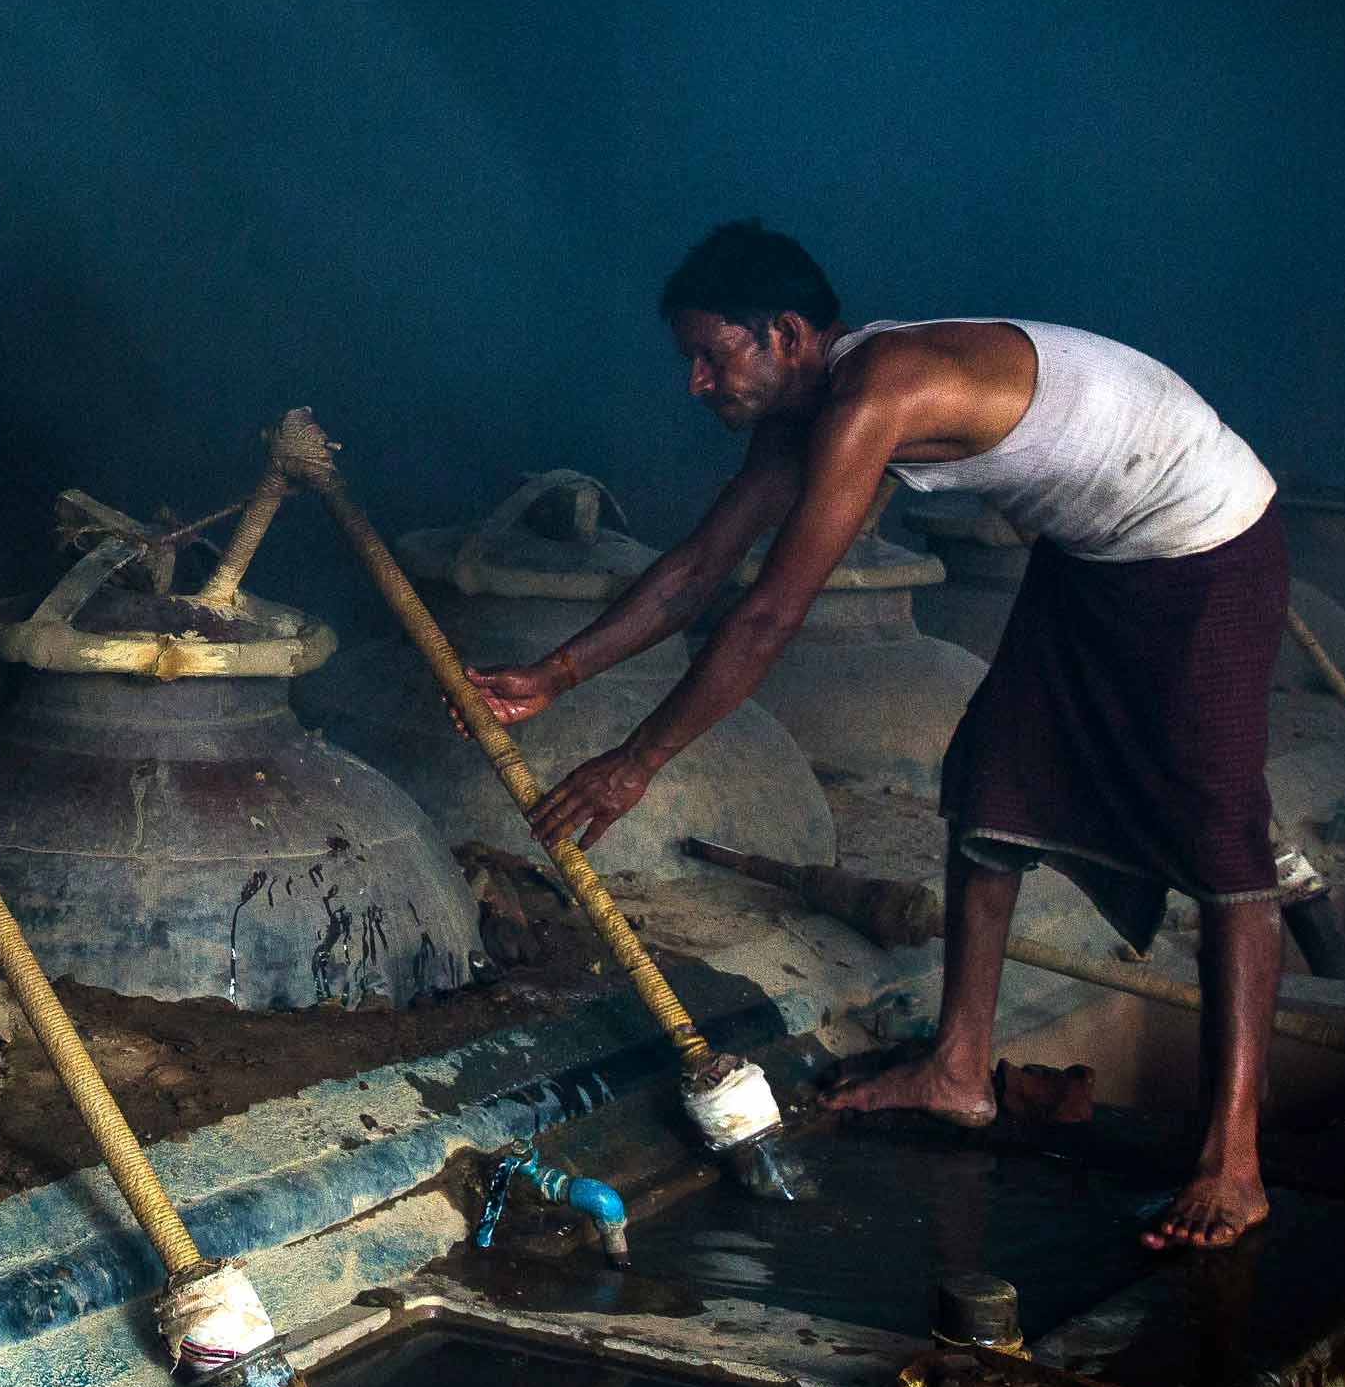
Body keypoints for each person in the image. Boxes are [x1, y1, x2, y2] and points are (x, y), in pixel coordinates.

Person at [466, 221, 1290, 1249]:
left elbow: (767, 613)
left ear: (787, 336)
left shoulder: (873, 398)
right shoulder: (804, 407)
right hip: (1095, 552)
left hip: (1203, 538)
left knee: (1224, 845)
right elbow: (695, 569)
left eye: (710, 356)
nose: (694, 383)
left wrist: (638, 764)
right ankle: (957, 1070)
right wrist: (552, 675)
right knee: (995, 785)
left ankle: (1235, 1161)